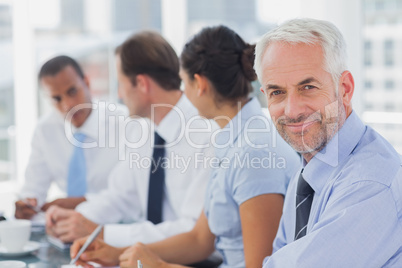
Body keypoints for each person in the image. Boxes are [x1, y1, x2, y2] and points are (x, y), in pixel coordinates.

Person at [70, 26, 300, 268]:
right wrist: (118, 253)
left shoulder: (254, 153)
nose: (181, 92)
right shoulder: (232, 141)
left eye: (183, 82)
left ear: (199, 84)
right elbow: (199, 239)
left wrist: (160, 266)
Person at [252, 18, 402, 267]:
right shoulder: (311, 168)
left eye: (308, 87)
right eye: (277, 92)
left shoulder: (371, 183)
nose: (292, 110)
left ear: (344, 88)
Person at [45, 31, 213, 249]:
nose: (120, 94)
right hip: (146, 258)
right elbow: (119, 196)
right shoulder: (140, 130)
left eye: (121, 83)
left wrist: (102, 233)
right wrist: (75, 219)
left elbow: (192, 232)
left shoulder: (206, 136)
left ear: (142, 84)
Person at [15, 55, 127, 220]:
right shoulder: (45, 130)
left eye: (72, 91)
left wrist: (80, 203)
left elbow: (132, 196)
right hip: (66, 228)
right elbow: (33, 187)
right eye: (57, 99)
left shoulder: (124, 123)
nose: (68, 105)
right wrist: (27, 203)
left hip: (115, 224)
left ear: (87, 83)